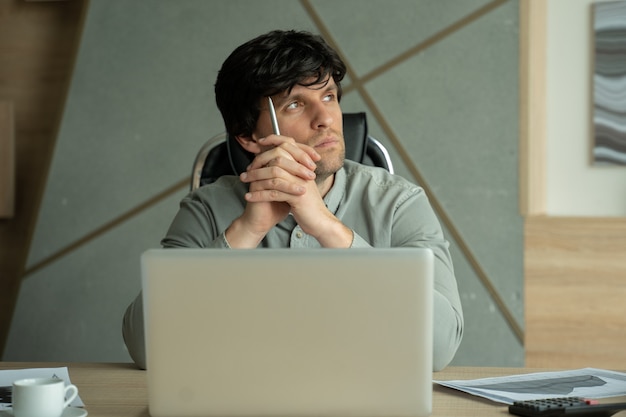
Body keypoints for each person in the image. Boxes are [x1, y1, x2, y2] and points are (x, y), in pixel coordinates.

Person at [123, 29, 463, 371]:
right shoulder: (207, 209)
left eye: (329, 96)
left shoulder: (400, 203)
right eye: (296, 104)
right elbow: (145, 348)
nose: (325, 118)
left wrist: (329, 229)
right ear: (249, 137)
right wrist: (245, 232)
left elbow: (439, 347)